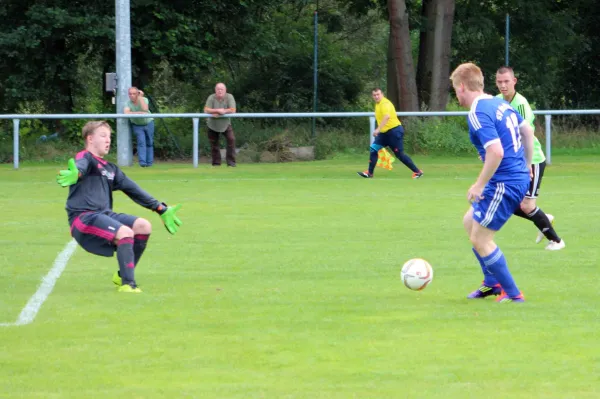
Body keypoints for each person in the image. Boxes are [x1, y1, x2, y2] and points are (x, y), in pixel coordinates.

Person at [56, 121, 183, 293]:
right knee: (125, 232)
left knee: (143, 226)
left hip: (104, 215)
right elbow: (81, 167)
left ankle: (121, 275)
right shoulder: (85, 157)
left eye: (109, 136)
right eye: (103, 136)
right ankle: (128, 284)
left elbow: (133, 189)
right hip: (84, 217)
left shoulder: (110, 168)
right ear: (90, 138)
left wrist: (160, 208)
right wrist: (76, 173)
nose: (108, 140)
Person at [450, 62, 535, 303]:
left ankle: (513, 294)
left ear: (463, 87)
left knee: (481, 238)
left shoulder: (477, 111)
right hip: (513, 176)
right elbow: (527, 132)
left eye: (456, 89)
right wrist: (527, 165)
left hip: (505, 181)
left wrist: (478, 185)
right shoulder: (499, 103)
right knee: (470, 222)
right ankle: (492, 283)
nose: (457, 94)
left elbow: (496, 152)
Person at [495, 66, 565, 250]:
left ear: (514, 81)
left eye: (506, 81)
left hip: (531, 160)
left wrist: (527, 165)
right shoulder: (496, 101)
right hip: (514, 161)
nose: (503, 85)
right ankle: (542, 217)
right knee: (507, 202)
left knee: (526, 205)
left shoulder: (520, 104)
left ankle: (557, 241)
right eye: (499, 82)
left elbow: (526, 135)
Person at [357, 88, 423, 178]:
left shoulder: (385, 103)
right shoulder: (378, 104)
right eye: (374, 95)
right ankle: (369, 173)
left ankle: (417, 172)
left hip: (394, 131)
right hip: (384, 134)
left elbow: (387, 116)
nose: (376, 96)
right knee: (373, 149)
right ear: (372, 96)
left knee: (399, 154)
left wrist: (378, 129)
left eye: (378, 94)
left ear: (382, 94)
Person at [204, 83, 237, 167]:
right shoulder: (211, 97)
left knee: (231, 140)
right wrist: (218, 110)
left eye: (222, 89)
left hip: (225, 124)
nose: (220, 91)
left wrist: (224, 111)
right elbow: (206, 109)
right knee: (214, 144)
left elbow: (233, 110)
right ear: (215, 90)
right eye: (218, 89)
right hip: (212, 124)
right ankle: (216, 163)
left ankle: (231, 163)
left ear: (225, 90)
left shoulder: (229, 97)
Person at [124, 87, 155, 167]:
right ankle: (142, 163)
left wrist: (140, 97)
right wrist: (139, 113)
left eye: (134, 93)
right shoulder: (127, 103)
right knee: (141, 142)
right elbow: (126, 113)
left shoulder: (144, 99)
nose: (131, 95)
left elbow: (145, 109)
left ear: (138, 94)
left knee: (149, 142)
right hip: (137, 125)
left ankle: (149, 163)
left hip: (148, 123)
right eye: (130, 94)